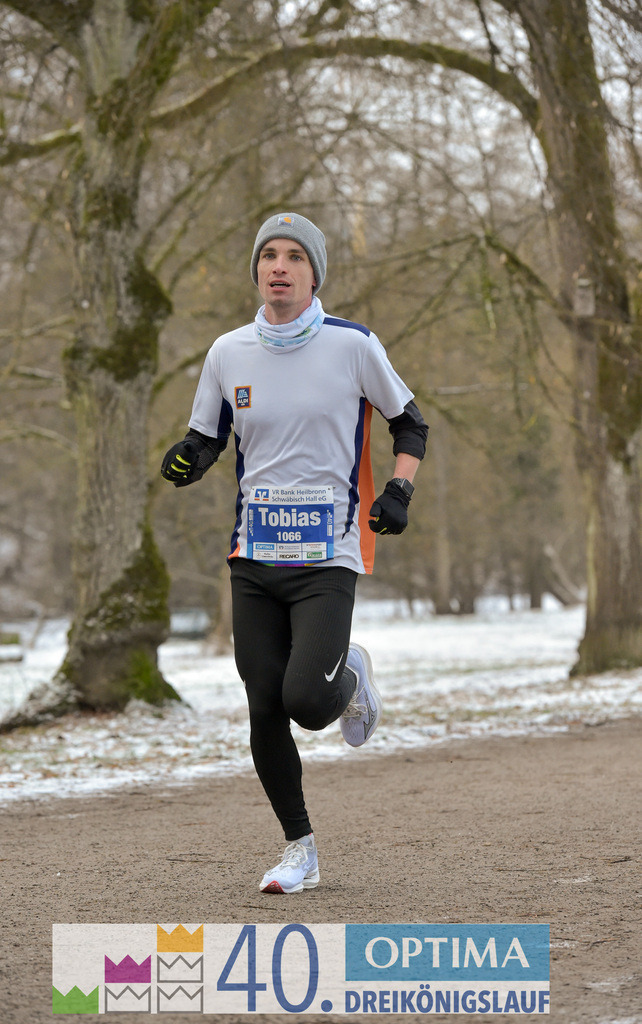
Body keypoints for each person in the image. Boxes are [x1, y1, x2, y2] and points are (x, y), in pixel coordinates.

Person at [161, 212, 428, 894]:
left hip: (327, 554)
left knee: (307, 700)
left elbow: (410, 421)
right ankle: (299, 849)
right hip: (254, 556)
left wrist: (398, 489)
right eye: (268, 257)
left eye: (293, 258)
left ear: (314, 274)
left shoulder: (353, 346)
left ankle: (352, 676)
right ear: (256, 271)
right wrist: (191, 456)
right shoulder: (228, 352)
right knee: (262, 704)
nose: (278, 267)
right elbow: (209, 433)